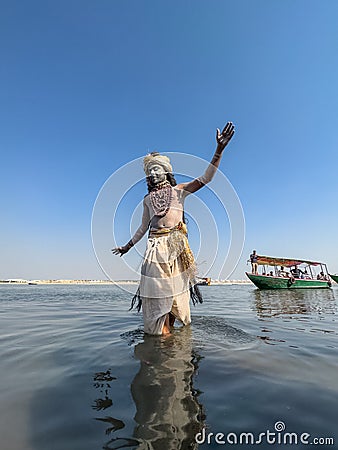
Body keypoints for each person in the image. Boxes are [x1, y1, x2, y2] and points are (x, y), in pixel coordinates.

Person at [112, 122, 235, 335]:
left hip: (177, 248)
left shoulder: (180, 191)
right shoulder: (147, 200)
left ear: (167, 172)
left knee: (177, 296)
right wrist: (128, 246)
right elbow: (143, 227)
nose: (152, 173)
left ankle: (172, 338)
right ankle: (161, 334)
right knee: (157, 295)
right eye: (149, 171)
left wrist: (219, 150)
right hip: (155, 249)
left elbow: (206, 179)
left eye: (156, 169)